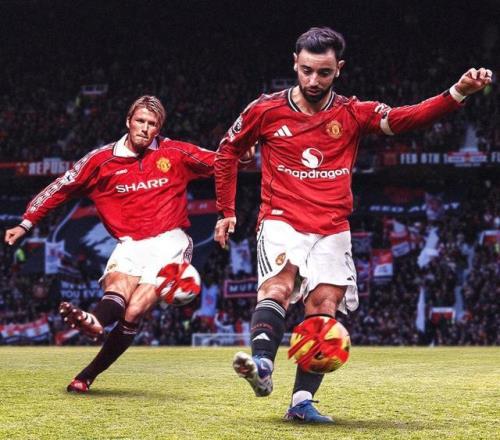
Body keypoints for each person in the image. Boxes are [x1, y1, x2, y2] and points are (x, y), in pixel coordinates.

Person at [213, 26, 492, 422]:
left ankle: (300, 403)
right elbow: (227, 152)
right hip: (281, 219)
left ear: (339, 69)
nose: (313, 80)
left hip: (332, 227)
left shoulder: (352, 113)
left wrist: (458, 92)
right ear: (295, 63)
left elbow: (405, 119)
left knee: (323, 307)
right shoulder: (265, 110)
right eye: (306, 70)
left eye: (323, 72)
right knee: (278, 285)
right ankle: (262, 364)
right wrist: (226, 210)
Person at [5, 95, 251, 393]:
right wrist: (26, 222)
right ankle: (95, 320)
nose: (145, 128)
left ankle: (88, 372)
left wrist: (241, 156)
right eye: (140, 121)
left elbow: (220, 161)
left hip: (170, 241)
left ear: (159, 128)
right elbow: (61, 187)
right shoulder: (100, 161)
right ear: (128, 121)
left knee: (134, 311)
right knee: (117, 291)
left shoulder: (174, 152)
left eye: (152, 124)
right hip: (130, 243)